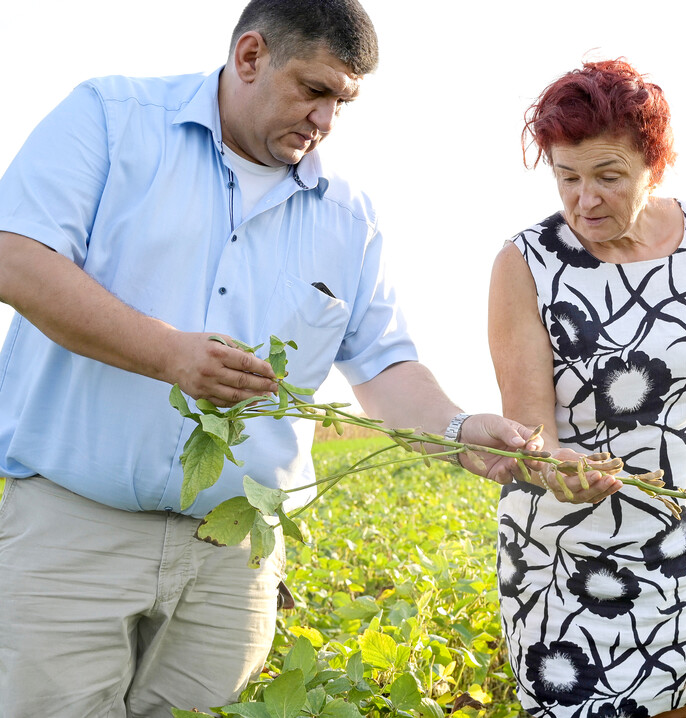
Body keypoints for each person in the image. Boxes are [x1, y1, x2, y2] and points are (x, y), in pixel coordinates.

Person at [0, 2, 619, 715]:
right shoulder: (112, 120)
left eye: (341, 103)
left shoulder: (347, 217)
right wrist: (169, 354)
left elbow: (384, 365)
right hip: (74, 532)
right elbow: (18, 257)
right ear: (250, 56)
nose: (324, 120)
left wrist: (457, 428)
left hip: (234, 558)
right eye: (313, 90)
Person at [488, 58, 686, 718]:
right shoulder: (526, 263)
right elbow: (529, 425)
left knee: (676, 700)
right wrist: (556, 468)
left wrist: (662, 437)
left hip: (684, 540)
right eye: (567, 177)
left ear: (654, 165)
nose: (584, 199)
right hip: (565, 555)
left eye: (608, 176)